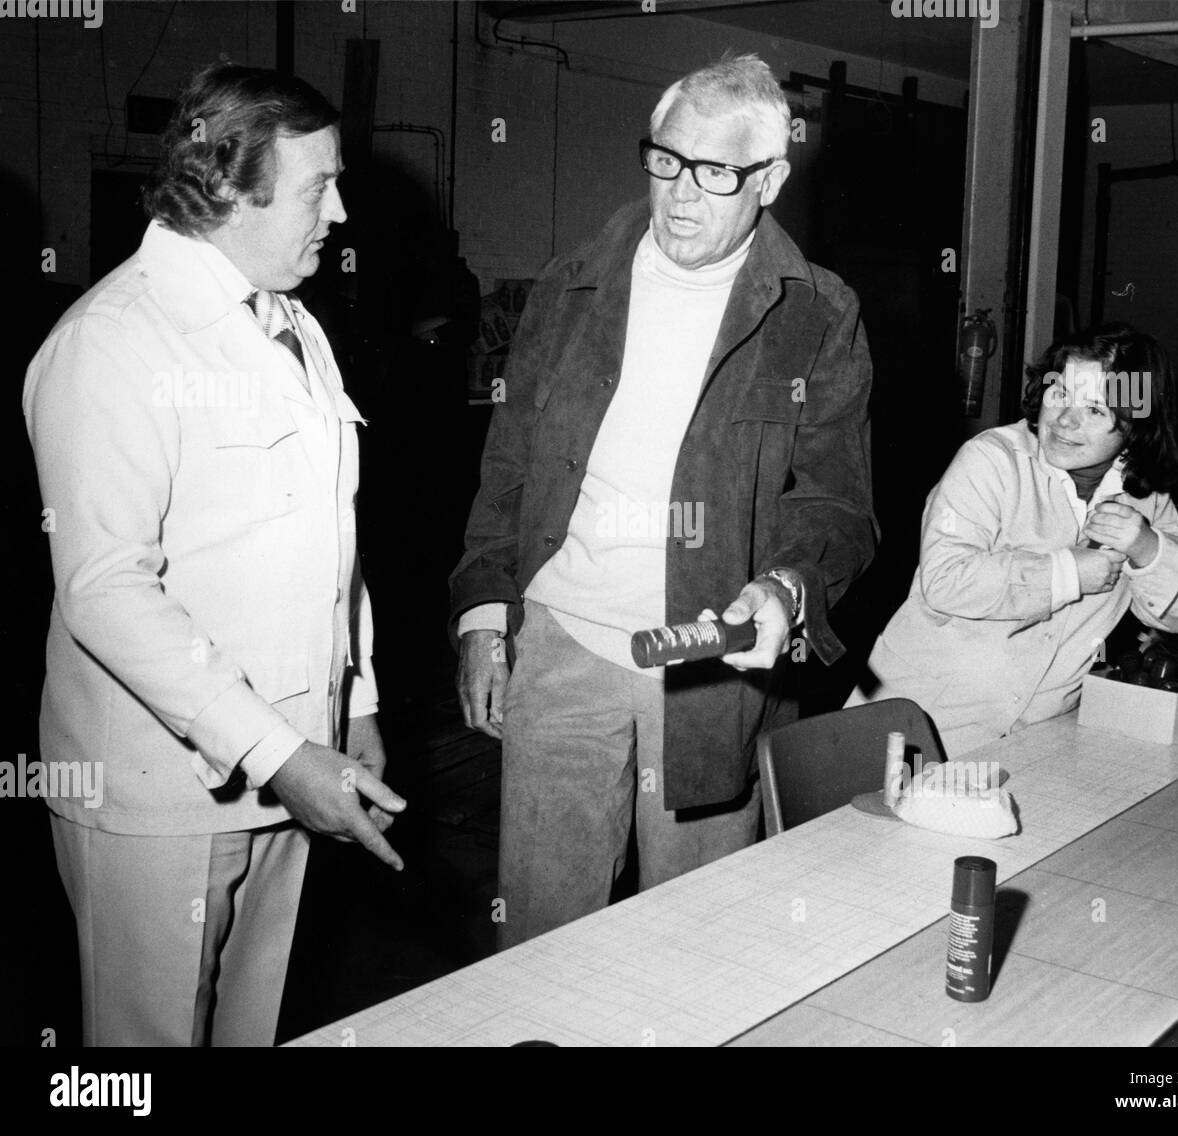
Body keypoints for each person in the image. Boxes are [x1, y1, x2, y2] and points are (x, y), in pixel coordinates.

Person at [451, 54, 875, 948]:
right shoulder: (571, 286)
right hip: (563, 642)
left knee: (696, 946)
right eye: (665, 160)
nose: (682, 194)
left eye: (717, 173)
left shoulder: (819, 315)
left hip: (714, 669)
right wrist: (484, 614)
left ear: (770, 181)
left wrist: (787, 588)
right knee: (539, 937)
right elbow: (509, 461)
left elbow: (836, 504)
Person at [22, 63, 406, 1047]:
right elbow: (105, 591)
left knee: (254, 1026)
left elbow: (333, 535)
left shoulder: (293, 325)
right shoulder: (111, 344)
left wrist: (350, 703)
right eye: (319, 185)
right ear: (232, 187)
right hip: (165, 796)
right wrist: (277, 752)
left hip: (295, 763)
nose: (340, 211)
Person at [846, 324, 1178, 757]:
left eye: (1095, 409)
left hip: (1036, 741)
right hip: (920, 724)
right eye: (1060, 394)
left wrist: (1147, 548)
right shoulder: (992, 460)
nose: (1065, 420)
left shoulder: (1145, 493)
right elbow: (944, 579)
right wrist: (1066, 571)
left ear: (1136, 424)